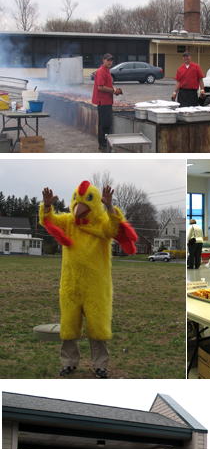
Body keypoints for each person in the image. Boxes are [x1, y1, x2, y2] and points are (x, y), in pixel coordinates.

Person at [39, 182, 137, 378]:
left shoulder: (101, 223)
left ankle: (100, 365)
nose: (79, 206)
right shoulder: (68, 222)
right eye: (77, 199)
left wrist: (109, 207)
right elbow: (48, 221)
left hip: (96, 286)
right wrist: (47, 206)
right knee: (69, 325)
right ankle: (69, 362)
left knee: (97, 326)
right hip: (71, 284)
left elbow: (114, 228)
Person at [91, 53, 123, 152]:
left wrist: (115, 90)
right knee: (105, 125)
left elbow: (106, 85)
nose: (110, 62)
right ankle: (103, 145)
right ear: (103, 60)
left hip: (107, 101)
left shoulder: (107, 71)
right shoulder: (101, 71)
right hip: (103, 102)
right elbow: (100, 87)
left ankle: (103, 144)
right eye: (108, 60)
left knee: (104, 124)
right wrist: (113, 91)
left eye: (111, 60)